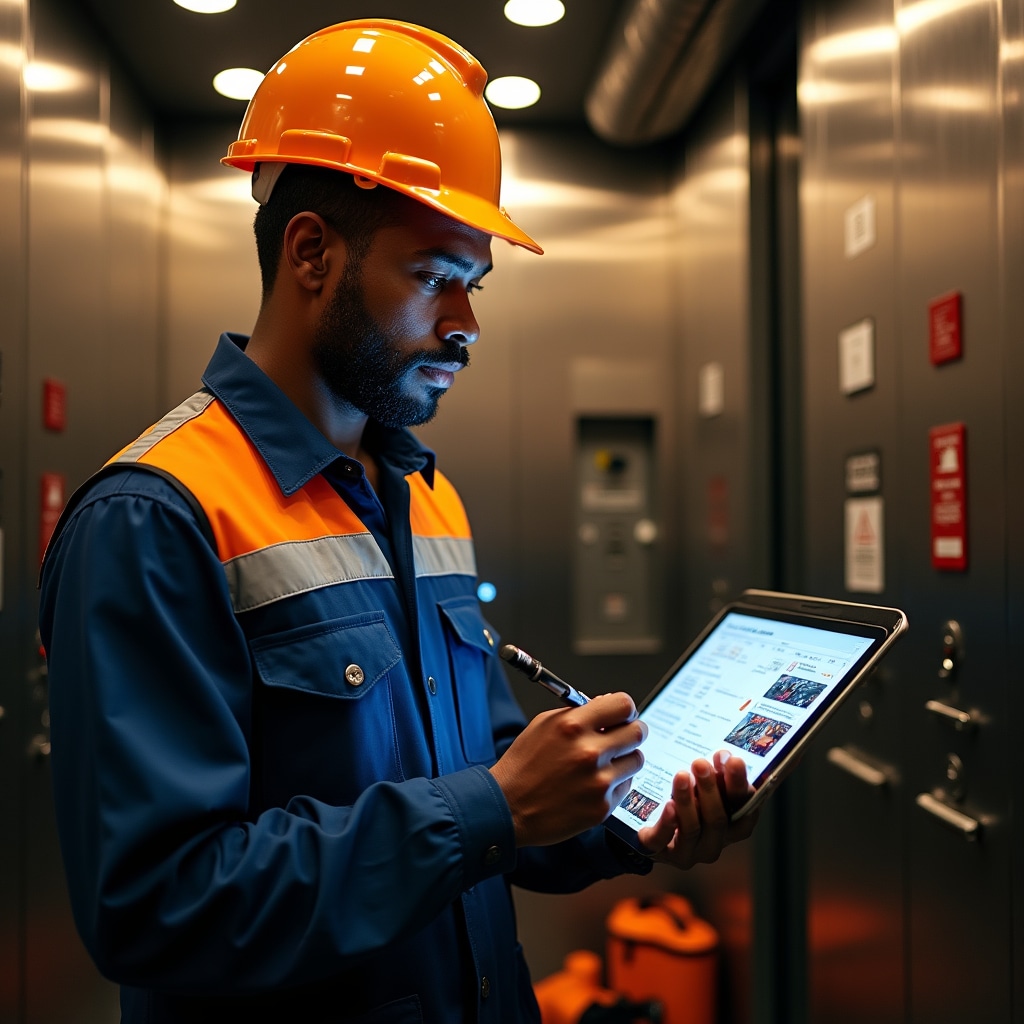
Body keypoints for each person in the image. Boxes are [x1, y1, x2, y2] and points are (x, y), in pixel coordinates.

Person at [39, 19, 756, 1024]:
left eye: (474, 284)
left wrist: (625, 820)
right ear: (311, 253)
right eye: (434, 278)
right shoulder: (156, 519)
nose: (465, 326)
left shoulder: (425, 495)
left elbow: (489, 795)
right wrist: (492, 807)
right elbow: (157, 905)